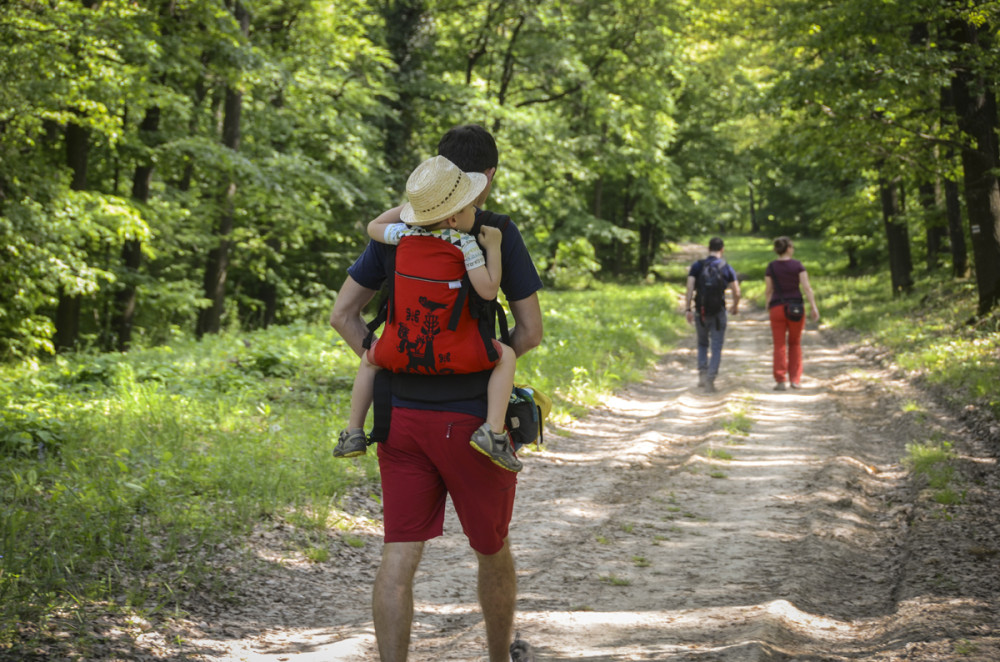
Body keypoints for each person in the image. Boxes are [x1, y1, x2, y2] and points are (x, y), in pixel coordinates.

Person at [329, 124, 543, 662]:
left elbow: (343, 315)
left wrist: (394, 357)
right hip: (473, 421)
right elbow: (530, 331)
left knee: (398, 556)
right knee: (491, 550)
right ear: (487, 177)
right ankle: (499, 658)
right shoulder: (494, 231)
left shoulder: (400, 228)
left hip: (399, 416)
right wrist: (482, 357)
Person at [334, 155, 521, 473]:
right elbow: (489, 290)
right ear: (452, 219)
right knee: (506, 357)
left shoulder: (402, 236)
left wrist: (417, 210)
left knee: (369, 360)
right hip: (453, 351)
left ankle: (353, 432)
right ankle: (493, 432)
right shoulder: (464, 244)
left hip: (401, 347)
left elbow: (372, 226)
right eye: (467, 207)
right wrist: (495, 248)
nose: (474, 210)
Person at [684, 237, 741, 393]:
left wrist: (688, 308)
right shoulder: (726, 267)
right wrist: (735, 306)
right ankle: (710, 380)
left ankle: (702, 374)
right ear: (722, 249)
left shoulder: (697, 266)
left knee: (702, 343)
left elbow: (689, 288)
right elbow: (737, 291)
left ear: (708, 249)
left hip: (700, 311)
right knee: (716, 347)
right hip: (718, 313)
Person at [763, 236, 820, 390]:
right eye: (792, 247)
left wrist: (768, 305)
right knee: (795, 343)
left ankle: (780, 380)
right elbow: (807, 288)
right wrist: (814, 306)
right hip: (795, 308)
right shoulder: (798, 266)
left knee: (779, 344)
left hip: (776, 308)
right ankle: (795, 379)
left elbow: (769, 290)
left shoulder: (771, 267)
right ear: (788, 248)